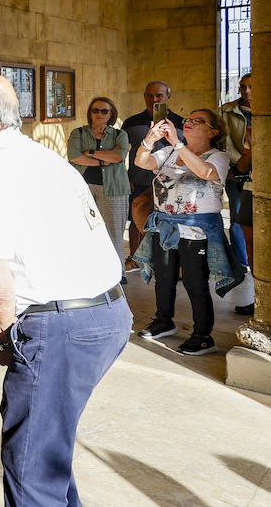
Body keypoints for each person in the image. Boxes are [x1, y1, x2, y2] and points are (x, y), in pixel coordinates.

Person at [0, 74, 128, 506]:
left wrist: (0, 340)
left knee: (31, 469)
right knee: (48, 451)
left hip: (64, 326)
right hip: (107, 312)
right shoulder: (43, 157)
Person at [132, 108, 243, 355]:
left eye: (198, 120)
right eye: (188, 119)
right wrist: (149, 140)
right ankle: (164, 321)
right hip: (166, 226)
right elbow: (142, 161)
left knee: (195, 282)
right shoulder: (169, 152)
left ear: (213, 131)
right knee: (165, 277)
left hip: (197, 230)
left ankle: (203, 335)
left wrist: (179, 144)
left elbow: (205, 172)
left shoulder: (218, 156)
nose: (190, 123)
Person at [122, 80, 184, 261]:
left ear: (168, 97)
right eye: (149, 95)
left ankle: (167, 261)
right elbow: (122, 151)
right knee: (136, 220)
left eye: (159, 95)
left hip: (170, 184)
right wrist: (126, 178)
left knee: (168, 222)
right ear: (144, 96)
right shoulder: (131, 122)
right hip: (139, 179)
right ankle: (134, 258)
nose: (154, 99)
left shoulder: (180, 123)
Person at [66, 97, 130, 260]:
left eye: (104, 111)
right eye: (96, 110)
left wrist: (91, 153)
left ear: (111, 114)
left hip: (113, 189)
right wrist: (104, 160)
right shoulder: (78, 133)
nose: (99, 114)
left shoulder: (119, 134)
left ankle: (118, 273)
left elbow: (119, 156)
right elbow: (75, 157)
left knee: (114, 232)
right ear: (90, 113)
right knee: (84, 230)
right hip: (83, 188)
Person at [220, 72, 252, 274]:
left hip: (260, 172)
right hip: (236, 172)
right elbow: (221, 141)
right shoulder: (227, 111)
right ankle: (241, 264)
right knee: (238, 220)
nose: (246, 91)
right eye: (242, 86)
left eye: (251, 86)